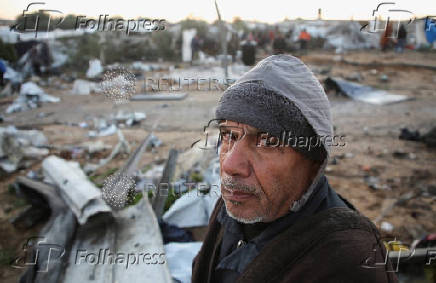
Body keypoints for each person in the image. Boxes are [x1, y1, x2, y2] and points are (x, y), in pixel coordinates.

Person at [192, 55, 398, 283]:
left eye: (268, 141)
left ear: (313, 163)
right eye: (228, 135)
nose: (230, 165)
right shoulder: (234, 203)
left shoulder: (348, 262)